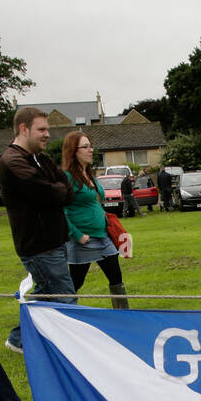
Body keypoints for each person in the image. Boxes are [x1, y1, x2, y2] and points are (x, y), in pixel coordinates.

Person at [0, 107, 76, 354]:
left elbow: (66, 189)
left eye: (47, 130)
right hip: (39, 246)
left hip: (55, 242)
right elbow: (47, 192)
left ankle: (19, 339)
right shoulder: (13, 161)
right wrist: (56, 190)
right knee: (65, 297)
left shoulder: (39, 159)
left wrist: (57, 190)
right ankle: (65, 346)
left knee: (46, 294)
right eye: (41, 129)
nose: (47, 135)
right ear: (24, 128)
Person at [60, 131, 130, 309]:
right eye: (85, 147)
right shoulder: (67, 177)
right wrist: (76, 235)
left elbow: (95, 203)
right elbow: (60, 211)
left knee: (116, 277)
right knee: (76, 282)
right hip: (82, 240)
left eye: (90, 146)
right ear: (73, 151)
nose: (90, 150)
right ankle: (60, 313)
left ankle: (124, 315)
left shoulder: (89, 175)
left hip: (103, 236)